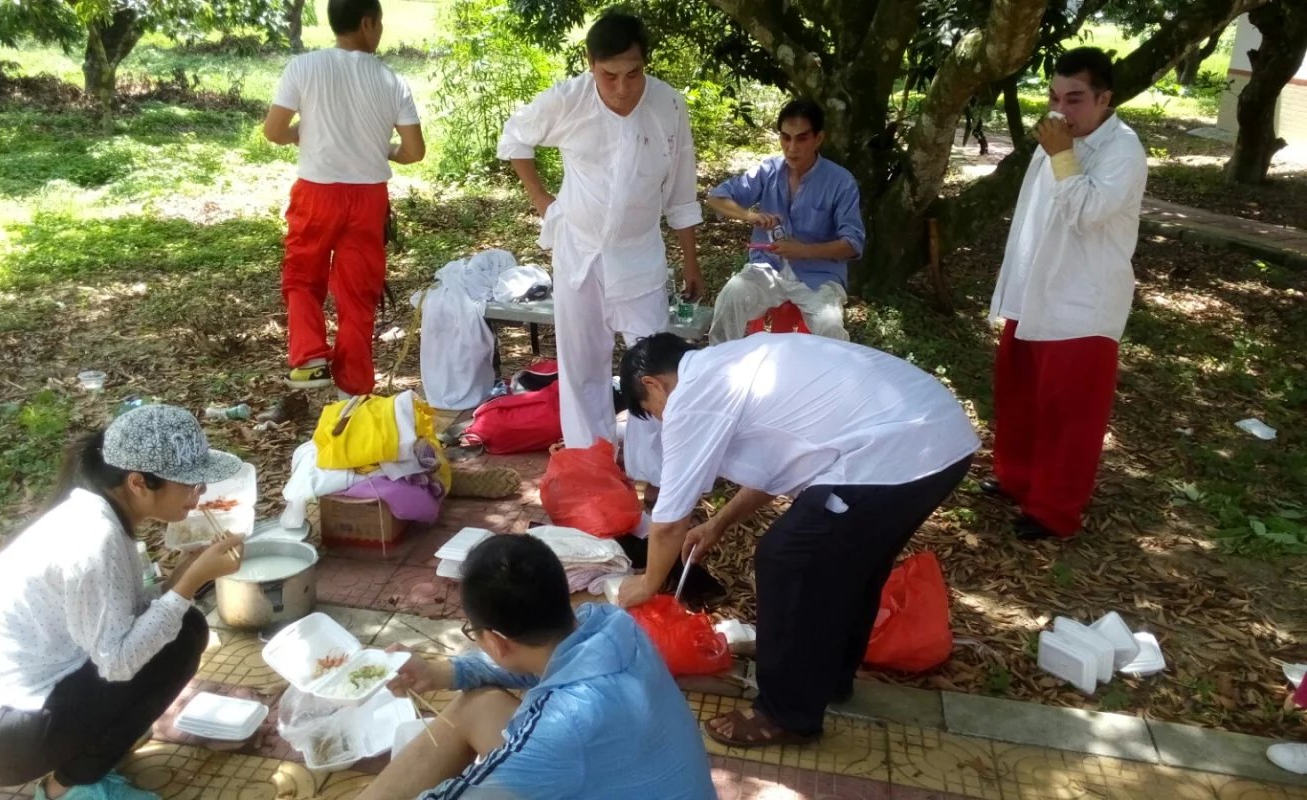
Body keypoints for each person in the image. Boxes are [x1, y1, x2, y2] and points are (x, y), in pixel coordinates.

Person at [616, 333, 978, 748]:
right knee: (848, 563)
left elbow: (668, 521)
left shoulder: (693, 396)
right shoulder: (735, 366)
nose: (663, 420)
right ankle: (829, 680)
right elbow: (778, 470)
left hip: (902, 448)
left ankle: (784, 713)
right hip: (938, 439)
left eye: (653, 411)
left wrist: (647, 584)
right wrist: (718, 524)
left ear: (653, 384)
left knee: (787, 559)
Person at [0, 405, 247, 800]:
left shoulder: (97, 514)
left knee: (179, 627)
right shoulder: (93, 540)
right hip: (0, 738)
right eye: (190, 483)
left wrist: (181, 577)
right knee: (183, 636)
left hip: (2, 720)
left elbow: (124, 618)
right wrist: (190, 582)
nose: (199, 493)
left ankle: (97, 743)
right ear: (138, 483)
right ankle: (66, 787)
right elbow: (118, 662)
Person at [497, 11, 702, 494]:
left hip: (639, 255)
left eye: (633, 73)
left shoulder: (668, 106)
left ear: (645, 65)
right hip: (578, 253)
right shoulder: (569, 100)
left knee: (655, 369)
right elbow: (515, 137)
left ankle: (656, 476)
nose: (622, 88)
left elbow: (681, 190)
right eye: (609, 75)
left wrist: (691, 259)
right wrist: (543, 201)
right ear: (591, 65)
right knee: (582, 366)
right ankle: (593, 469)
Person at [358, 534, 715, 799]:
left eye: (473, 632)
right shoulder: (611, 624)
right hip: (626, 774)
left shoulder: (558, 729)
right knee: (481, 705)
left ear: (496, 641)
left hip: (573, 753)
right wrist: (439, 673)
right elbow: (530, 662)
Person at [983, 46, 1148, 541]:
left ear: (1104, 99)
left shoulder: (1123, 150)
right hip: (1035, 286)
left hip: (1083, 302)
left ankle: (1054, 509)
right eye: (1054, 97)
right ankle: (1016, 479)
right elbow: (1034, 214)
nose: (1060, 110)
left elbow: (1088, 211)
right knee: (1018, 393)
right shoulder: (1059, 138)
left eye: (1074, 99)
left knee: (1069, 411)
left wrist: (1061, 154)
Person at [264, 0, 425, 395]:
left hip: (316, 193)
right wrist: (384, 149)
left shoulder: (303, 67)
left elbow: (274, 131)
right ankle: (353, 391)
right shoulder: (392, 81)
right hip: (369, 198)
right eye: (380, 24)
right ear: (368, 23)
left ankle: (309, 360)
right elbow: (414, 151)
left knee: (303, 275)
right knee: (358, 292)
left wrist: (302, 132)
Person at [705, 99, 864, 344]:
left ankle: (832, 370)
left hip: (819, 278)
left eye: (801, 138)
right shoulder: (768, 170)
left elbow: (852, 244)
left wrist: (804, 251)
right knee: (731, 297)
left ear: (818, 139)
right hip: (767, 269)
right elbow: (715, 198)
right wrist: (750, 215)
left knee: (830, 328)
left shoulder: (841, 182)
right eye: (785, 137)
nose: (791, 148)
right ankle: (718, 361)